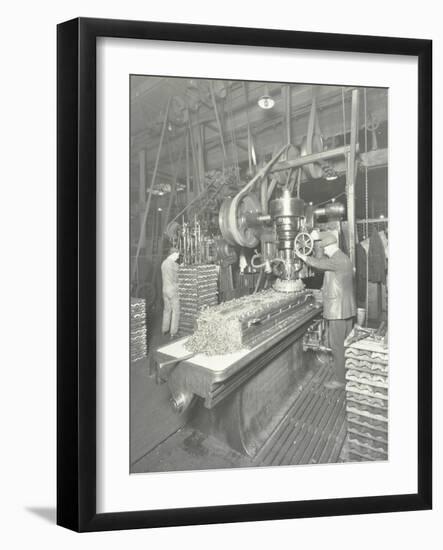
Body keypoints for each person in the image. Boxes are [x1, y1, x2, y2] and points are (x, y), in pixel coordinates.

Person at [295, 231, 356, 389]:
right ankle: (346, 374)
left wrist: (303, 257)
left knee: (337, 346)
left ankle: (340, 380)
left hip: (338, 311)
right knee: (345, 344)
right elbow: (324, 262)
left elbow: (320, 263)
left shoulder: (337, 260)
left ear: (331, 246)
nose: (325, 251)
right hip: (347, 309)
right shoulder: (344, 258)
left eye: (325, 249)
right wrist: (317, 235)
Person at [161, 247, 180, 338]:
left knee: (167, 310)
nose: (178, 257)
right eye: (177, 255)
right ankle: (173, 332)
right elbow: (176, 278)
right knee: (176, 311)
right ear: (173, 254)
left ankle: (164, 330)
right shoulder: (174, 264)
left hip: (164, 290)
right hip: (172, 290)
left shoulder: (164, 263)